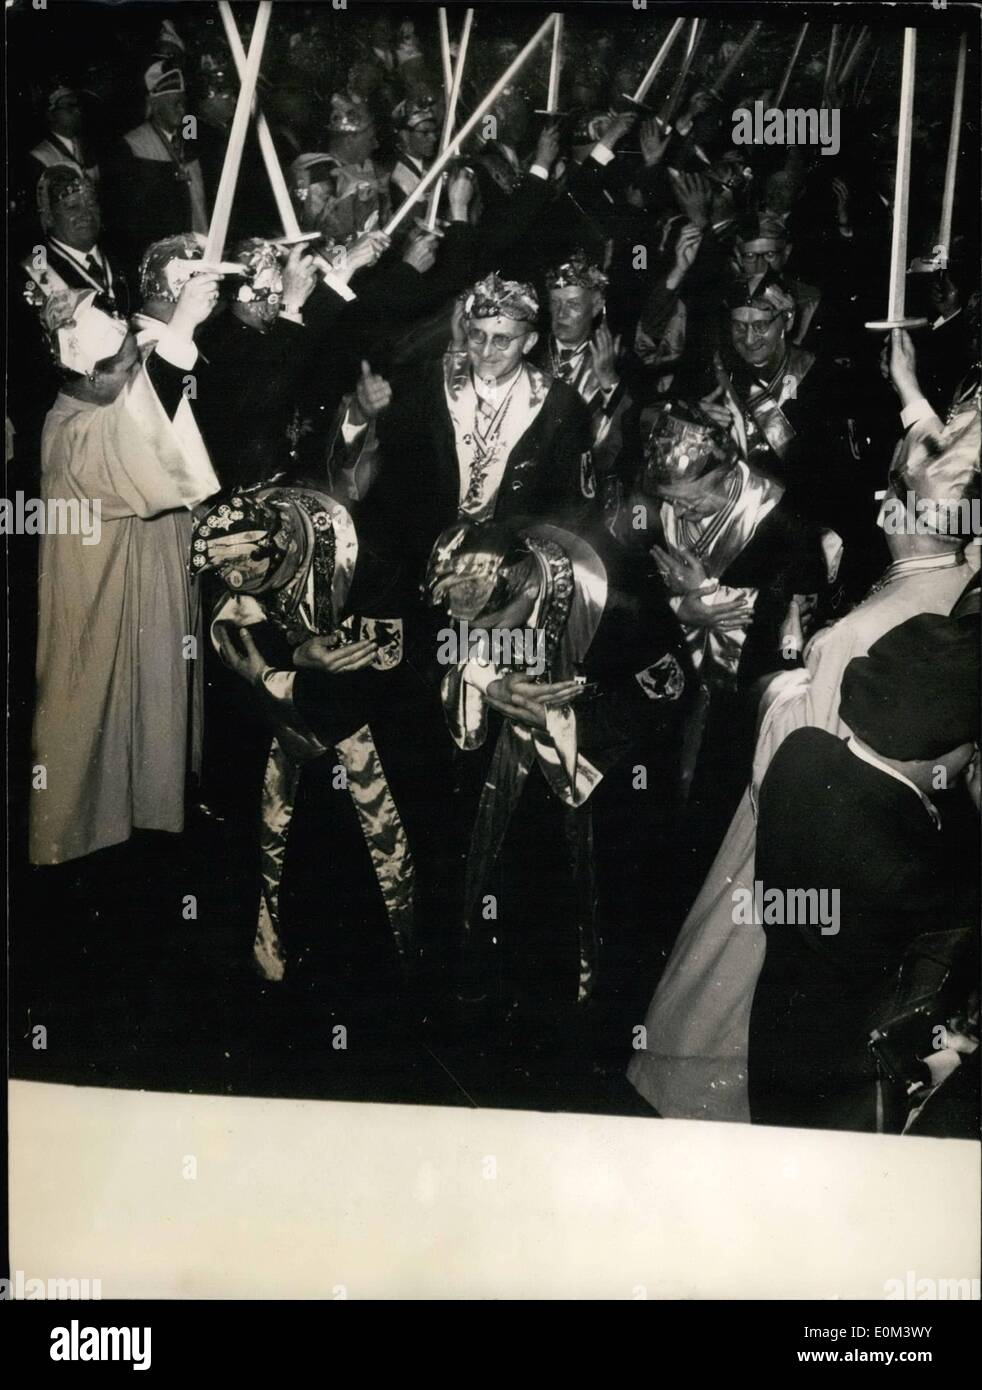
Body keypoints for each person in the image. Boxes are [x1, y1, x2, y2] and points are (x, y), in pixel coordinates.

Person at [628, 373, 979, 1124]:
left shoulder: (857, 631)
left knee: (754, 972)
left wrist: (784, 686)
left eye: (898, 498)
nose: (882, 507)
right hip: (888, 848)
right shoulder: (960, 578)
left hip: (805, 842)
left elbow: (792, 760)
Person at [426, 517, 689, 1033]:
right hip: (505, 765)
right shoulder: (489, 553)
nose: (478, 639)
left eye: (491, 629)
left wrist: (563, 720)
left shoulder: (620, 600)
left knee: (578, 906)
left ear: (531, 586)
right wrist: (483, 679)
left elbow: (668, 692)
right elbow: (445, 647)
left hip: (598, 775)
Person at [190, 484, 449, 994]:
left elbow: (351, 702)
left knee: (363, 902)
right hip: (292, 757)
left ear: (288, 548)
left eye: (252, 577)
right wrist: (293, 660)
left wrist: (270, 676)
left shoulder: (374, 573)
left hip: (377, 756)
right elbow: (230, 624)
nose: (240, 586)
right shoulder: (247, 527)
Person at [749, 613, 980, 1131]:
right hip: (856, 1079)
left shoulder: (802, 752)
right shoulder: (906, 873)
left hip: (778, 1035)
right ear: (944, 752)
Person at [27, 266, 221, 866]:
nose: (134, 372)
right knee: (89, 740)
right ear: (82, 363)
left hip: (151, 586)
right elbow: (140, 431)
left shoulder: (107, 396)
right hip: (99, 612)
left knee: (154, 732)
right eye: (123, 366)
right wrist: (183, 324)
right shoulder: (70, 432)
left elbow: (162, 425)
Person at [632, 398, 825, 860]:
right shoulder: (661, 510)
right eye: (670, 502)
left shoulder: (781, 518)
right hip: (673, 692)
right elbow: (632, 592)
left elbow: (796, 622)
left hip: (740, 703)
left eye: (690, 500)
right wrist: (683, 609)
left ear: (725, 476)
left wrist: (711, 597)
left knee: (716, 824)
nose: (678, 512)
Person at [372, 272, 597, 583]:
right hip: (423, 564)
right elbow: (393, 474)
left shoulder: (561, 406)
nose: (487, 351)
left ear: (529, 342)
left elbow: (571, 508)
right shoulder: (430, 384)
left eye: (502, 339)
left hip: (509, 570)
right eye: (478, 335)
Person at [530, 253, 636, 516]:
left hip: (583, 502)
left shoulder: (623, 360)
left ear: (597, 305)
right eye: (555, 303)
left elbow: (630, 444)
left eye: (573, 304)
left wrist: (609, 382)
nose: (561, 314)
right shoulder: (527, 351)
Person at [111, 62, 208, 273]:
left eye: (184, 102)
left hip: (202, 249)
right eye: (175, 104)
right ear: (154, 106)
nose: (183, 110)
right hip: (163, 261)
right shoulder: (133, 146)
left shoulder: (191, 139)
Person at [290, 94, 391, 247]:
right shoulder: (316, 171)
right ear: (350, 138)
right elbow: (316, 232)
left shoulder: (374, 170)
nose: (376, 144)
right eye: (370, 139)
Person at [29, 83, 100, 184]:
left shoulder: (88, 144)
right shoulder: (40, 156)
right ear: (50, 115)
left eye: (78, 106)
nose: (78, 111)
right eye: (70, 107)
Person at [389, 96, 439, 211]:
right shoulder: (398, 178)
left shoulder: (430, 163)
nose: (433, 138)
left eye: (434, 132)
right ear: (405, 136)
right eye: (425, 132)